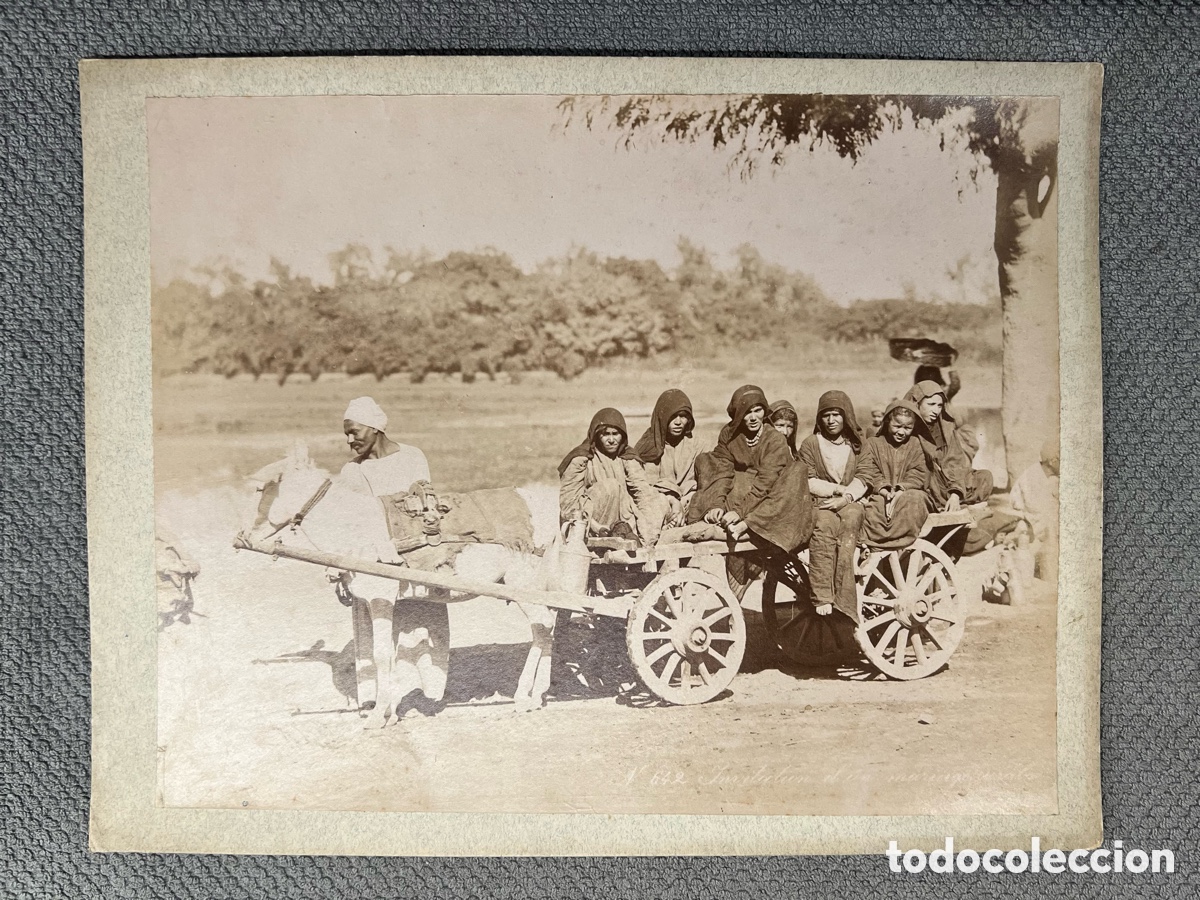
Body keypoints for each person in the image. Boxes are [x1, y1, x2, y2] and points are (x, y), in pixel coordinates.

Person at [337, 396, 449, 720]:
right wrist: (340, 573)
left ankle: (422, 692)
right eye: (346, 434)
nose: (349, 440)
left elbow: (425, 501)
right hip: (373, 561)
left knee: (421, 622)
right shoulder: (352, 472)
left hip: (414, 554)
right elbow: (349, 523)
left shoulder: (413, 457)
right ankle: (377, 695)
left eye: (354, 432)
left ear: (375, 428)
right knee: (377, 627)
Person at [688, 385, 811, 598]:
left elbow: (766, 481)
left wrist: (740, 512)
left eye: (758, 410)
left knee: (792, 474)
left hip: (764, 496)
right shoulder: (728, 434)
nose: (753, 417)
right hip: (737, 489)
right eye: (747, 412)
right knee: (707, 461)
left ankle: (744, 524)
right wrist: (716, 503)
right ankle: (715, 515)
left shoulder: (775, 439)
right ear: (737, 414)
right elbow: (722, 471)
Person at [797, 391, 868, 618]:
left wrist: (847, 497)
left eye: (836, 414)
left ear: (845, 416)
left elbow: (866, 475)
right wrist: (836, 490)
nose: (831, 420)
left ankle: (845, 596)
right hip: (823, 501)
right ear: (820, 418)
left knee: (852, 518)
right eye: (826, 415)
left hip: (851, 500)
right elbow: (806, 479)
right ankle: (822, 595)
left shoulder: (857, 444)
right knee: (823, 525)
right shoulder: (811, 444)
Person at [559, 407, 667, 546]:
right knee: (611, 486)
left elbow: (643, 493)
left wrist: (647, 533)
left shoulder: (627, 458)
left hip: (622, 521)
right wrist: (596, 527)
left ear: (623, 435)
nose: (611, 440)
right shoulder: (581, 459)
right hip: (589, 525)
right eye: (605, 434)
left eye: (615, 434)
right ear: (597, 435)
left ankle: (636, 540)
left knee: (658, 499)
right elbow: (568, 506)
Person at [903, 379, 993, 511]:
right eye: (931, 404)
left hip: (947, 482)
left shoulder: (945, 429)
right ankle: (944, 505)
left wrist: (955, 494)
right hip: (924, 482)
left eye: (939, 406)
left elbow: (955, 462)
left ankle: (953, 503)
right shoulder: (904, 429)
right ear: (917, 403)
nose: (936, 410)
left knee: (985, 477)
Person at [856, 399, 933, 549]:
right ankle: (874, 544)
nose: (901, 432)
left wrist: (900, 490)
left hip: (907, 492)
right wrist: (884, 491)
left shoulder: (915, 444)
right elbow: (870, 470)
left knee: (915, 500)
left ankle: (900, 541)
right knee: (874, 509)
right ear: (887, 422)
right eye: (897, 426)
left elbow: (918, 472)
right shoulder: (873, 443)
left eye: (907, 427)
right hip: (880, 493)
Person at [633, 389, 700, 528]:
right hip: (661, 503)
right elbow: (647, 485)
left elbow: (703, 481)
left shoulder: (697, 445)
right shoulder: (649, 445)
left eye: (683, 416)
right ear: (662, 417)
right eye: (673, 416)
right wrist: (672, 501)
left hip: (690, 502)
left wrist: (685, 500)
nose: (678, 422)